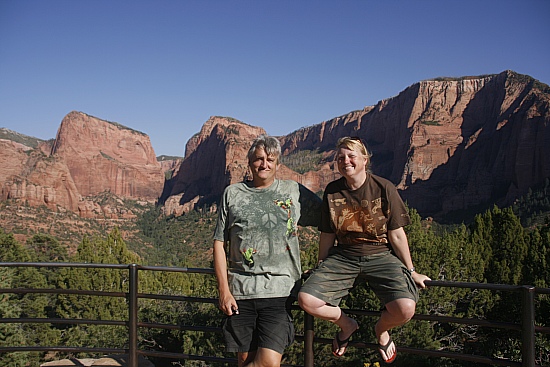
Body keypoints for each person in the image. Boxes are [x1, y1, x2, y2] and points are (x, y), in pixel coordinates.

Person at [298, 136, 430, 364]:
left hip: (380, 255)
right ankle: (347, 325)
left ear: (364, 160)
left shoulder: (383, 187)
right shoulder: (332, 191)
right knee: (306, 299)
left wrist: (411, 270)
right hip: (344, 257)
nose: (345, 161)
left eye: (351, 156)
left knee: (406, 308)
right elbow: (328, 233)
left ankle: (381, 330)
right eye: (340, 157)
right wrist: (320, 265)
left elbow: (397, 234)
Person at [213, 134, 321, 367]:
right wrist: (224, 291)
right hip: (240, 292)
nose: (264, 164)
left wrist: (326, 264)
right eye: (259, 159)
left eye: (270, 160)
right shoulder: (232, 194)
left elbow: (329, 220)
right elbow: (219, 243)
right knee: (244, 360)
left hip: (280, 291)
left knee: (269, 363)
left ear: (278, 164)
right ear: (250, 163)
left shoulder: (294, 192)